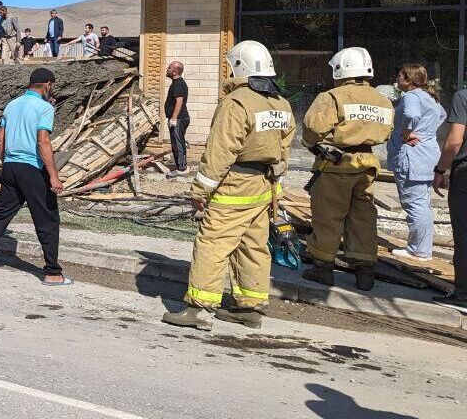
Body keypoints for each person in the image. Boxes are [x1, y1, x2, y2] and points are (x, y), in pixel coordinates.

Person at [162, 40, 294, 331]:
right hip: (263, 188)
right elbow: (284, 150)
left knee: (213, 244)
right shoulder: (281, 104)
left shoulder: (236, 103)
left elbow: (220, 152)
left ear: (239, 67)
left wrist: (199, 190)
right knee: (253, 246)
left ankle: (198, 309)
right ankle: (249, 308)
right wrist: (278, 187)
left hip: (234, 187)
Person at [0, 67, 69, 286]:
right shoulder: (44, 108)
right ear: (47, 85)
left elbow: (1, 137)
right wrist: (54, 176)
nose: (51, 90)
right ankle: (53, 273)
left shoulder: (12, 105)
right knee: (47, 219)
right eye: (52, 86)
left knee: (2, 215)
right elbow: (43, 142)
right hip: (32, 169)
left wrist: (6, 161)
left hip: (10, 166)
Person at [299, 47, 393, 291]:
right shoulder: (382, 100)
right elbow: (387, 131)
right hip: (367, 165)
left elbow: (312, 129)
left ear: (341, 69)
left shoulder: (332, 96)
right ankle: (364, 272)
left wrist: (315, 144)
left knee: (328, 215)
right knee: (363, 216)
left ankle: (323, 267)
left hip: (336, 164)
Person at [388, 64, 445, 261]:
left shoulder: (411, 96)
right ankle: (423, 248)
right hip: (428, 155)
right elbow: (442, 116)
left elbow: (411, 115)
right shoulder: (430, 97)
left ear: (409, 80)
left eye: (401, 75)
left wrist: (406, 133)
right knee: (423, 204)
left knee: (414, 204)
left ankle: (417, 250)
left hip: (412, 156)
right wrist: (427, 133)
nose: (397, 77)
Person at [432, 87, 467, 312]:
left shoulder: (463, 96)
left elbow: (455, 141)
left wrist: (440, 170)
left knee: (464, 235)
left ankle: (463, 293)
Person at [165, 61, 190, 177]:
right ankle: (180, 165)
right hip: (177, 118)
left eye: (169, 68)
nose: (167, 69)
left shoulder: (178, 84)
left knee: (178, 143)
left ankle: (182, 168)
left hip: (179, 119)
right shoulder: (176, 83)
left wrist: (173, 119)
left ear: (175, 71)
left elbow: (179, 102)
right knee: (175, 143)